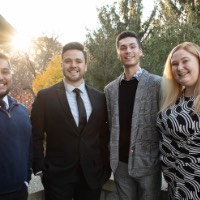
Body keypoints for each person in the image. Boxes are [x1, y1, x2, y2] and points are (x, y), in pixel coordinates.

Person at [31, 42, 111, 200]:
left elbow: (103, 135)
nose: (73, 65)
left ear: (86, 66)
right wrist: (39, 167)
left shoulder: (100, 98)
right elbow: (35, 135)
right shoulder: (45, 97)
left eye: (78, 61)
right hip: (57, 178)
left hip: (91, 177)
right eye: (68, 61)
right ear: (61, 65)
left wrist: (105, 166)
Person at [104, 31, 161, 200]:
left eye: (132, 46)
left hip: (148, 164)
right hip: (120, 164)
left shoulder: (157, 84)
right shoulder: (110, 89)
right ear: (118, 53)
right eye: (123, 48)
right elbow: (109, 124)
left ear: (140, 51)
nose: (128, 51)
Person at [157, 42, 200, 200]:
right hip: (175, 184)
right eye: (174, 64)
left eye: (185, 61)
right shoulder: (174, 98)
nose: (179, 67)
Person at [0, 52, 32, 200]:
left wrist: (26, 179)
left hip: (20, 192)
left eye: (5, 72)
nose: (1, 77)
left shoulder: (22, 111)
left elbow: (28, 147)